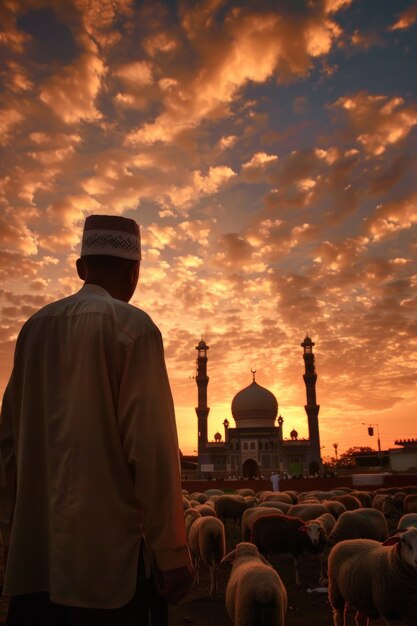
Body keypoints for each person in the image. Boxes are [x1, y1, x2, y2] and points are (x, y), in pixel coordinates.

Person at [0, 214, 193, 626]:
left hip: (36, 564)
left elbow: (9, 447)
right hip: (109, 573)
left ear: (80, 268)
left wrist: (10, 535)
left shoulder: (33, 329)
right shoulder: (134, 329)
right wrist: (173, 554)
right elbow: (154, 452)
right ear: (134, 271)